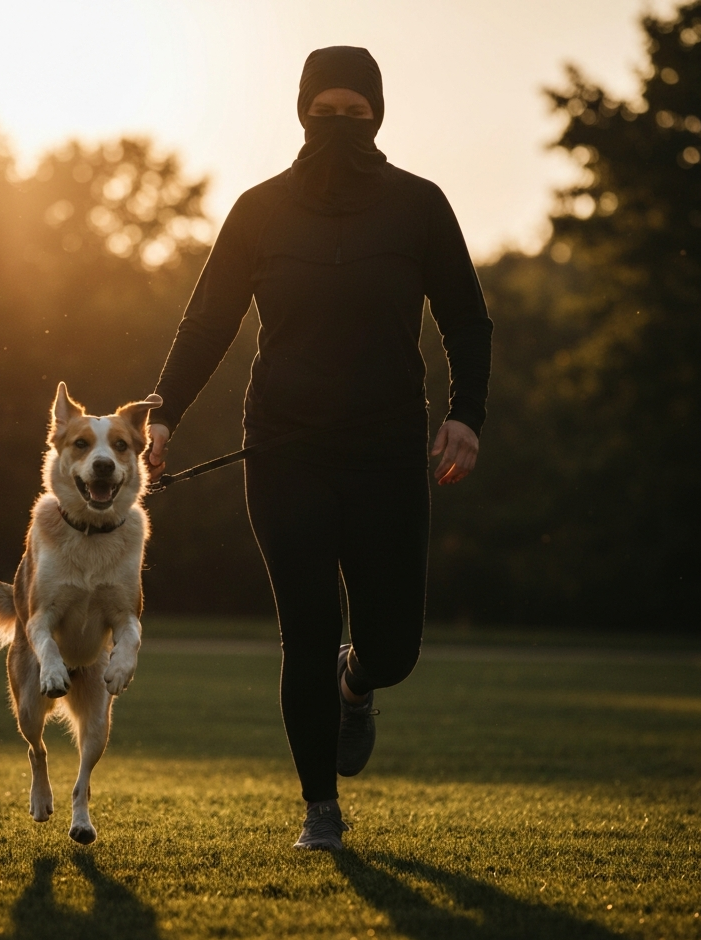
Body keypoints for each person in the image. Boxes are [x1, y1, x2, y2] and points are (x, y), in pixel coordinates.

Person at [145, 46, 492, 851]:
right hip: (284, 447)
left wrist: (465, 414)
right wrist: (163, 414)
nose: (339, 126)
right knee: (304, 627)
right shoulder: (259, 211)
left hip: (386, 450)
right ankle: (321, 812)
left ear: (379, 116)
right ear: (300, 112)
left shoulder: (419, 206)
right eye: (323, 111)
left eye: (356, 112)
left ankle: (358, 680)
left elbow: (467, 318)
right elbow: (207, 320)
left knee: (395, 645)